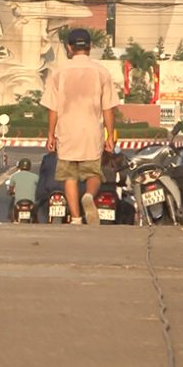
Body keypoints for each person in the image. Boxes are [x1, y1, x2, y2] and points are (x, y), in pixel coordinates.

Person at [41, 28, 119, 225]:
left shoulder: (59, 72)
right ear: (90, 46)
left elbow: (53, 108)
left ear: (69, 48)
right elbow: (108, 108)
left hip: (66, 132)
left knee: (70, 177)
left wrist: (50, 134)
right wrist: (110, 135)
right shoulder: (101, 72)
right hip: (92, 132)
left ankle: (76, 218)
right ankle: (89, 196)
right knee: (93, 173)